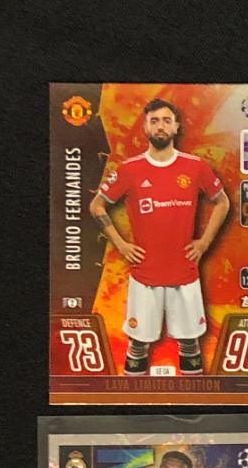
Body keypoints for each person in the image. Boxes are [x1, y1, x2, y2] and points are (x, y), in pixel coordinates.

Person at [89, 97, 230, 375]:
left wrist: (204, 242)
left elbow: (222, 202)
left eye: (166, 121)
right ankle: (131, 400)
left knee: (190, 346)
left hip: (184, 271)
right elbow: (97, 206)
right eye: (154, 121)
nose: (160, 126)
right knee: (138, 346)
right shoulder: (129, 169)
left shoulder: (195, 167)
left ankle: (193, 400)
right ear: (145, 128)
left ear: (176, 127)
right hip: (145, 273)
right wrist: (121, 244)